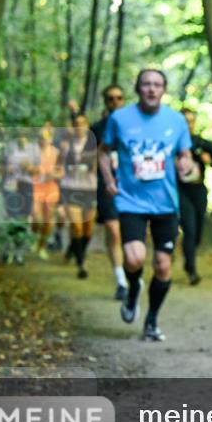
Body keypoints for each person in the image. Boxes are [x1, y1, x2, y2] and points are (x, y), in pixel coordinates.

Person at [98, 69, 193, 342]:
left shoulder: (176, 121)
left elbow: (184, 154)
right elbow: (103, 152)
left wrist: (185, 164)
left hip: (166, 204)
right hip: (131, 201)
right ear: (137, 89)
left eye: (157, 85)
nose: (151, 89)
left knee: (163, 266)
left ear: (164, 89)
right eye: (146, 84)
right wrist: (109, 180)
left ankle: (151, 321)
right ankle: (132, 290)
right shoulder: (120, 118)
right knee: (134, 258)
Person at [92, 86, 128, 299]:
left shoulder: (134, 126)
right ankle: (121, 280)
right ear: (105, 101)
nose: (115, 101)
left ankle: (132, 273)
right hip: (106, 187)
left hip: (131, 187)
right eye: (110, 98)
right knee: (113, 230)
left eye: (119, 98)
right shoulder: (97, 128)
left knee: (128, 234)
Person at [178, 107, 212, 285]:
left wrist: (208, 160)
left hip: (198, 189)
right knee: (189, 228)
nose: (188, 125)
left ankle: (188, 258)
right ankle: (193, 271)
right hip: (180, 191)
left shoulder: (203, 143)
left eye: (191, 121)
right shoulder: (172, 145)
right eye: (184, 121)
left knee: (197, 231)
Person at [60, 110, 99, 279]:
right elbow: (57, 167)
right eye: (76, 124)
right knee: (76, 226)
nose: (79, 127)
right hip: (71, 187)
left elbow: (101, 167)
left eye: (83, 124)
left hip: (89, 189)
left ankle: (74, 249)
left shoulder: (95, 144)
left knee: (87, 230)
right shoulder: (65, 145)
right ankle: (81, 263)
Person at [0, 132, 38, 265]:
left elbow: (38, 171)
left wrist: (30, 168)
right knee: (12, 218)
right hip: (10, 185)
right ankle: (6, 249)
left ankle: (18, 253)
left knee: (23, 220)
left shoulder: (34, 148)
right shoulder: (8, 146)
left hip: (26, 186)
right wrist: (6, 169)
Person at [29, 123, 63, 259]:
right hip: (34, 188)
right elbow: (26, 167)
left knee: (48, 221)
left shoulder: (56, 153)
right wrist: (34, 170)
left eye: (47, 137)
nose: (43, 139)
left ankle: (41, 246)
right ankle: (34, 237)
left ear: (51, 138)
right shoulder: (31, 151)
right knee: (36, 218)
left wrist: (53, 175)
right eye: (41, 137)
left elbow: (61, 172)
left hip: (51, 189)